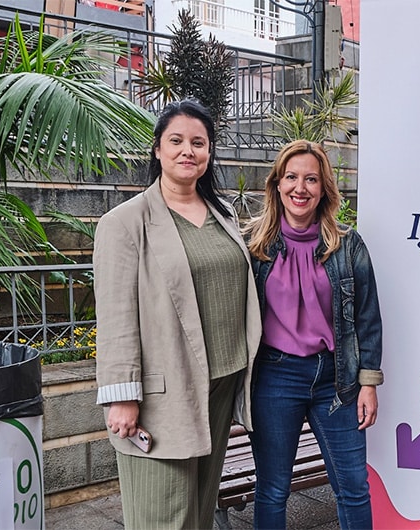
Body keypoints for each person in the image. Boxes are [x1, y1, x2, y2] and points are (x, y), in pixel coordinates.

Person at [93, 99, 262, 529]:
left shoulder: (223, 214)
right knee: (162, 513)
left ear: (209, 152)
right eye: (177, 140)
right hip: (163, 391)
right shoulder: (125, 222)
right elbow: (115, 316)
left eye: (198, 143)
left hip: (222, 381)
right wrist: (121, 396)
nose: (188, 150)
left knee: (200, 509)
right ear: (157, 149)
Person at [245, 139, 384, 529]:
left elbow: (367, 318)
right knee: (273, 490)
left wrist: (368, 383)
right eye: (291, 177)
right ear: (277, 184)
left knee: (353, 488)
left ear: (324, 189)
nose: (300, 188)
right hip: (275, 377)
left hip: (336, 380)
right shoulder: (253, 245)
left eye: (311, 179)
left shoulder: (347, 244)